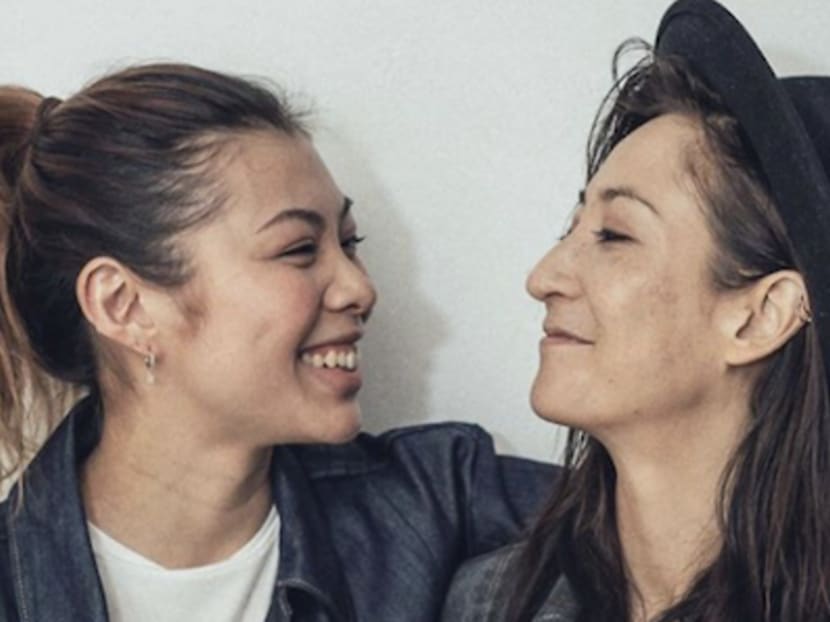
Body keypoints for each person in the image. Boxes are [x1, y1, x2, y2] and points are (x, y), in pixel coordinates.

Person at [0, 64, 553, 621]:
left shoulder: (440, 500)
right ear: (125, 305)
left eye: (349, 242)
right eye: (299, 249)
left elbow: (610, 518)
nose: (360, 289)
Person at [442, 0, 830, 620]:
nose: (543, 278)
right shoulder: (490, 601)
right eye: (571, 228)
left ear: (761, 316)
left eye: (614, 236)